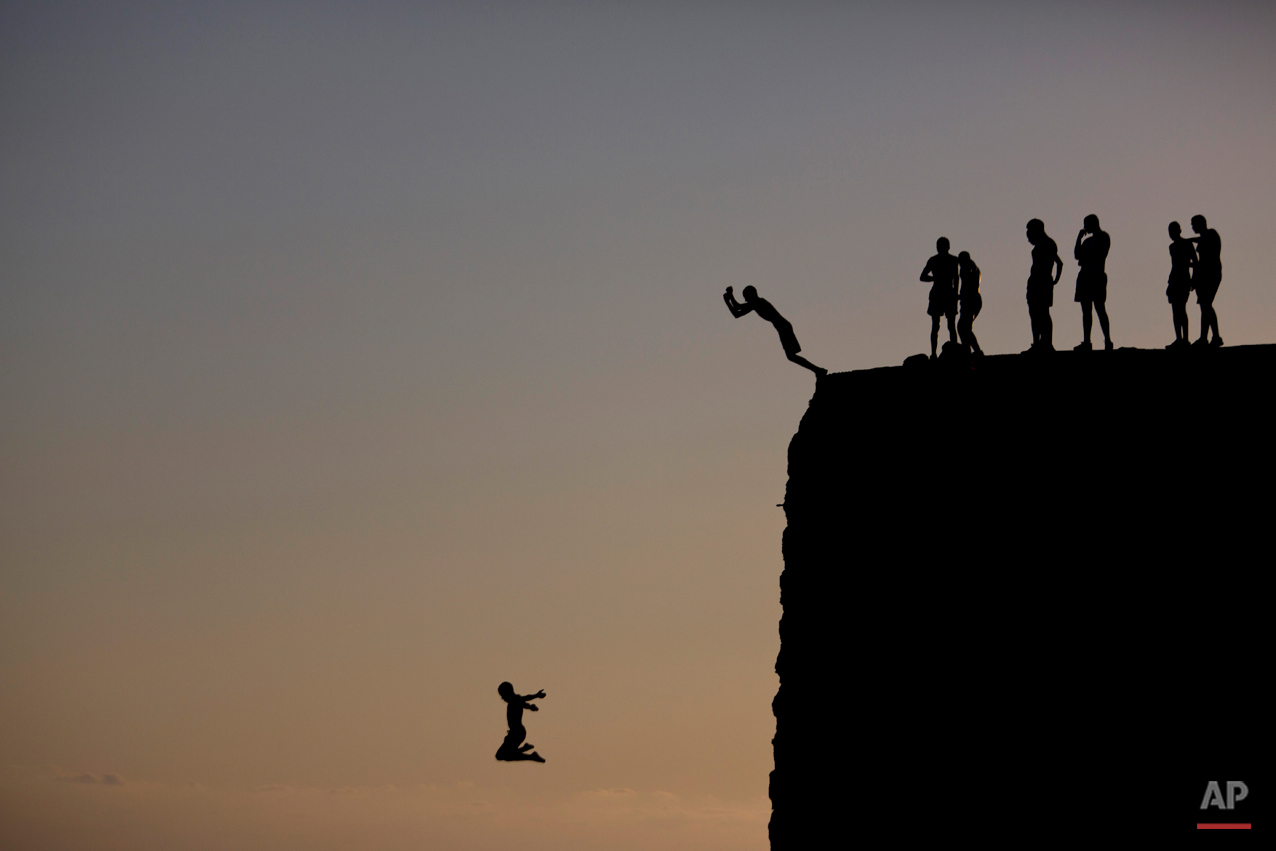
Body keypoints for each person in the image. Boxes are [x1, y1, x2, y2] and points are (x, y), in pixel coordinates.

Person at [723, 286, 827, 376]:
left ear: (751, 295)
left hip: (783, 327)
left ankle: (818, 370)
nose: (745, 300)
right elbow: (738, 309)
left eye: (746, 297)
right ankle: (818, 370)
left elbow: (737, 311)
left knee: (791, 356)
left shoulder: (758, 302)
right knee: (791, 356)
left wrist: (728, 299)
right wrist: (730, 297)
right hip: (783, 327)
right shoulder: (757, 303)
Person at [1073, 214, 1113, 351]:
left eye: (1086, 224)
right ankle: (1087, 341)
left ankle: (1107, 340)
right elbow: (1077, 255)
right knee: (1086, 311)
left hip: (1096, 276)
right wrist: (1079, 238)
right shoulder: (1087, 241)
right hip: (1085, 276)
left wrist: (1086, 257)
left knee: (1100, 309)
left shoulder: (1103, 237)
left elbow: (1098, 254)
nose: (1085, 227)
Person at [1024, 219, 1063, 352]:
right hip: (1036, 281)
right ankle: (1037, 343)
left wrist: (1054, 280)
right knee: (1034, 313)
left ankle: (1046, 342)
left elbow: (1059, 263)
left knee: (1043, 313)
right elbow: (1059, 263)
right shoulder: (1043, 244)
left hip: (1042, 281)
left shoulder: (1048, 243)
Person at [919, 237, 960, 360]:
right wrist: (935, 279)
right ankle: (934, 353)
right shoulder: (947, 260)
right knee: (941, 325)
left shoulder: (945, 260)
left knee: (945, 325)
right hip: (942, 294)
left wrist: (955, 294)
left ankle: (943, 352)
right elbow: (922, 277)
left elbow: (956, 278)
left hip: (945, 293)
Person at [1188, 215, 1223, 347]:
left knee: (1206, 305)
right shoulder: (1204, 238)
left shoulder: (1211, 234)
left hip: (1211, 274)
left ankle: (1206, 338)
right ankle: (1213, 337)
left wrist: (1188, 240)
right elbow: (1200, 263)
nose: (1192, 227)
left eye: (1193, 224)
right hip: (1204, 275)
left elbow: (1205, 258)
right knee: (1206, 306)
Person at [495, 682, 546, 763]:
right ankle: (527, 751)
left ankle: (530, 754)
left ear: (508, 693)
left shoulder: (515, 699)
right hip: (514, 732)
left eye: (503, 695)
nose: (502, 698)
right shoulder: (515, 702)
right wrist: (530, 707)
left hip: (517, 732)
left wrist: (536, 695)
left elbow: (525, 698)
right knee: (502, 755)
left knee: (501, 755)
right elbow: (524, 704)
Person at [1165, 221, 1196, 347]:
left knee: (1181, 309)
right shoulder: (1171, 247)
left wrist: (1193, 279)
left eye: (1172, 231)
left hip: (1183, 279)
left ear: (1178, 231)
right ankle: (1179, 338)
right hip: (1174, 279)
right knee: (1175, 310)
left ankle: (1185, 339)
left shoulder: (1187, 244)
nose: (1171, 234)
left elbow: (1195, 262)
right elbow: (1174, 266)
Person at [956, 251, 983, 356]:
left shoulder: (968, 268)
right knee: (964, 327)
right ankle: (969, 350)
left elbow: (967, 287)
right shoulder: (971, 267)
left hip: (971, 301)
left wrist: (960, 296)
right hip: (970, 300)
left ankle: (975, 351)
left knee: (964, 327)